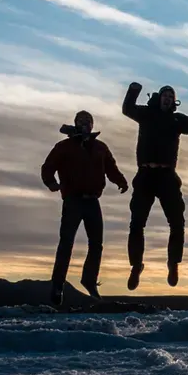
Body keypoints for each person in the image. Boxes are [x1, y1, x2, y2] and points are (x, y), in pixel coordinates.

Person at [40, 111, 128, 307]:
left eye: (88, 121)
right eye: (81, 121)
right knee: (66, 243)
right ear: (75, 124)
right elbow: (47, 167)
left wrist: (121, 181)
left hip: (92, 201)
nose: (85, 124)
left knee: (96, 244)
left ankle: (89, 280)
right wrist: (51, 183)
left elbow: (111, 168)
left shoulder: (100, 147)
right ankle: (57, 285)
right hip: (72, 200)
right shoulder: (64, 147)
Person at [122, 82, 188, 290]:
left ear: (174, 101)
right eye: (165, 95)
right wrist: (133, 91)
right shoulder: (146, 113)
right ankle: (136, 266)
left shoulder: (177, 120)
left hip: (167, 176)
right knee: (137, 223)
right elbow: (127, 109)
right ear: (159, 98)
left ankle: (173, 263)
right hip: (146, 175)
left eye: (171, 96)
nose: (167, 98)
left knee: (177, 222)